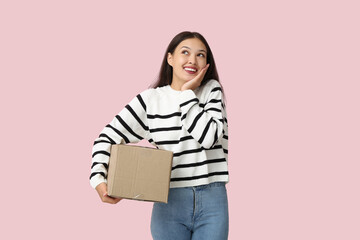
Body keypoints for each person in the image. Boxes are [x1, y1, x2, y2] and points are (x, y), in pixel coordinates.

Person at [90, 31, 229, 240]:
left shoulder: (211, 91)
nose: (193, 59)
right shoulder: (151, 100)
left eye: (201, 55)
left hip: (212, 199)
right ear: (170, 58)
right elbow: (107, 137)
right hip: (169, 201)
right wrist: (98, 178)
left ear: (207, 64)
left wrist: (186, 94)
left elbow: (209, 138)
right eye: (185, 52)